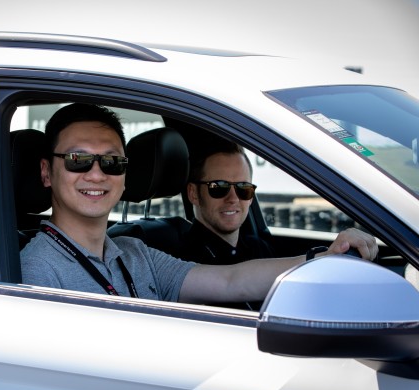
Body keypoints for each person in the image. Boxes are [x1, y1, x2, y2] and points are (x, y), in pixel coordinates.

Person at [20, 103, 378, 304]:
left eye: (112, 161)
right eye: (78, 160)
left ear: (125, 174)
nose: (97, 174)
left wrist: (323, 258)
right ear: (47, 172)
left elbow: (231, 281)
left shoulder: (134, 253)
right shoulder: (37, 267)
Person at [179, 141, 274, 265]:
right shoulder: (182, 263)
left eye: (243, 187)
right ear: (193, 194)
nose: (233, 199)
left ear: (251, 197)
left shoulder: (260, 249)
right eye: (219, 187)